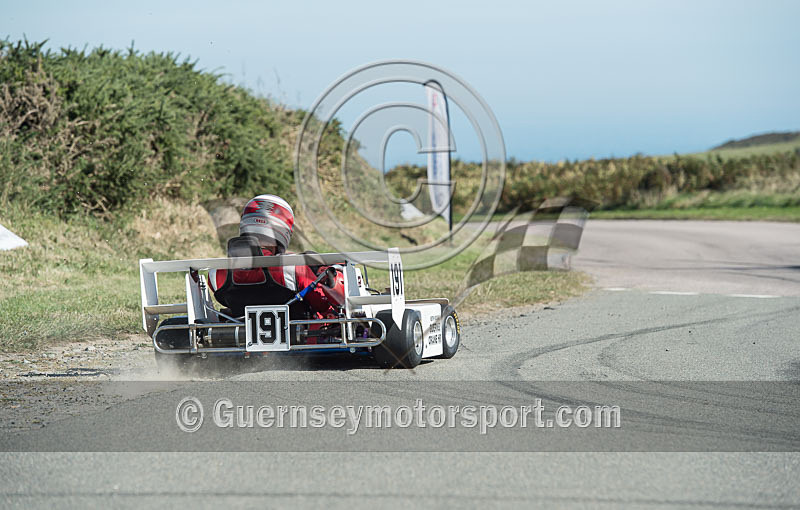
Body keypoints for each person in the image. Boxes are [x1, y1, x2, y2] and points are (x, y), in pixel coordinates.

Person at [209, 194, 344, 322]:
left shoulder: (216, 273)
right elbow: (321, 305)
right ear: (283, 230)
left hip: (240, 340)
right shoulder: (293, 267)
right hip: (298, 340)